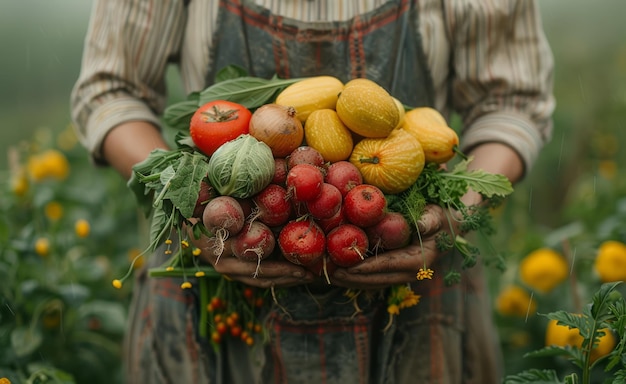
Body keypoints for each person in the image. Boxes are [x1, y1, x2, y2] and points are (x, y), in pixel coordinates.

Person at [70, 0, 555, 383]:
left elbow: (511, 102)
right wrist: (194, 210)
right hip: (214, 307)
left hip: (417, 308)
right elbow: (112, 90)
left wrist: (454, 213)